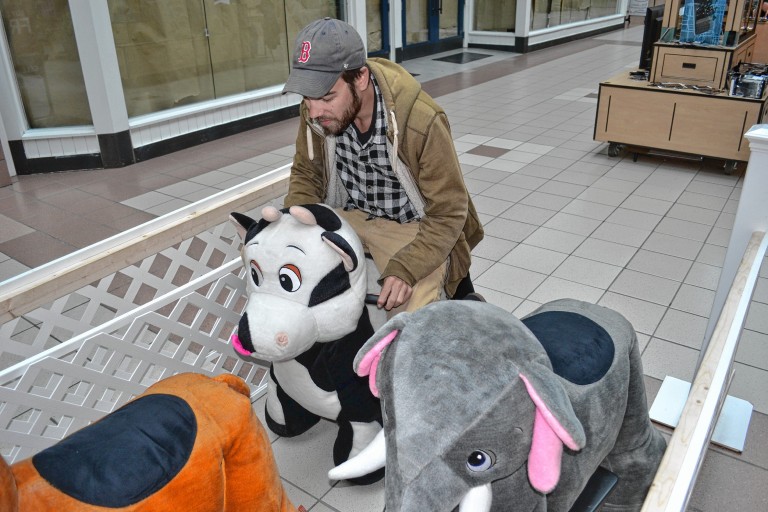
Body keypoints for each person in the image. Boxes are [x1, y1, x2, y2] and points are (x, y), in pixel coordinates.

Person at [282, 17, 484, 313]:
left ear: (360, 78)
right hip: (350, 217)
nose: (314, 112)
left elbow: (449, 212)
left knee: (412, 318)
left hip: (412, 227)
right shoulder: (317, 111)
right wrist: (292, 224)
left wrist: (407, 267)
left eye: (326, 96)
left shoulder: (421, 121)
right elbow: (306, 173)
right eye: (307, 98)